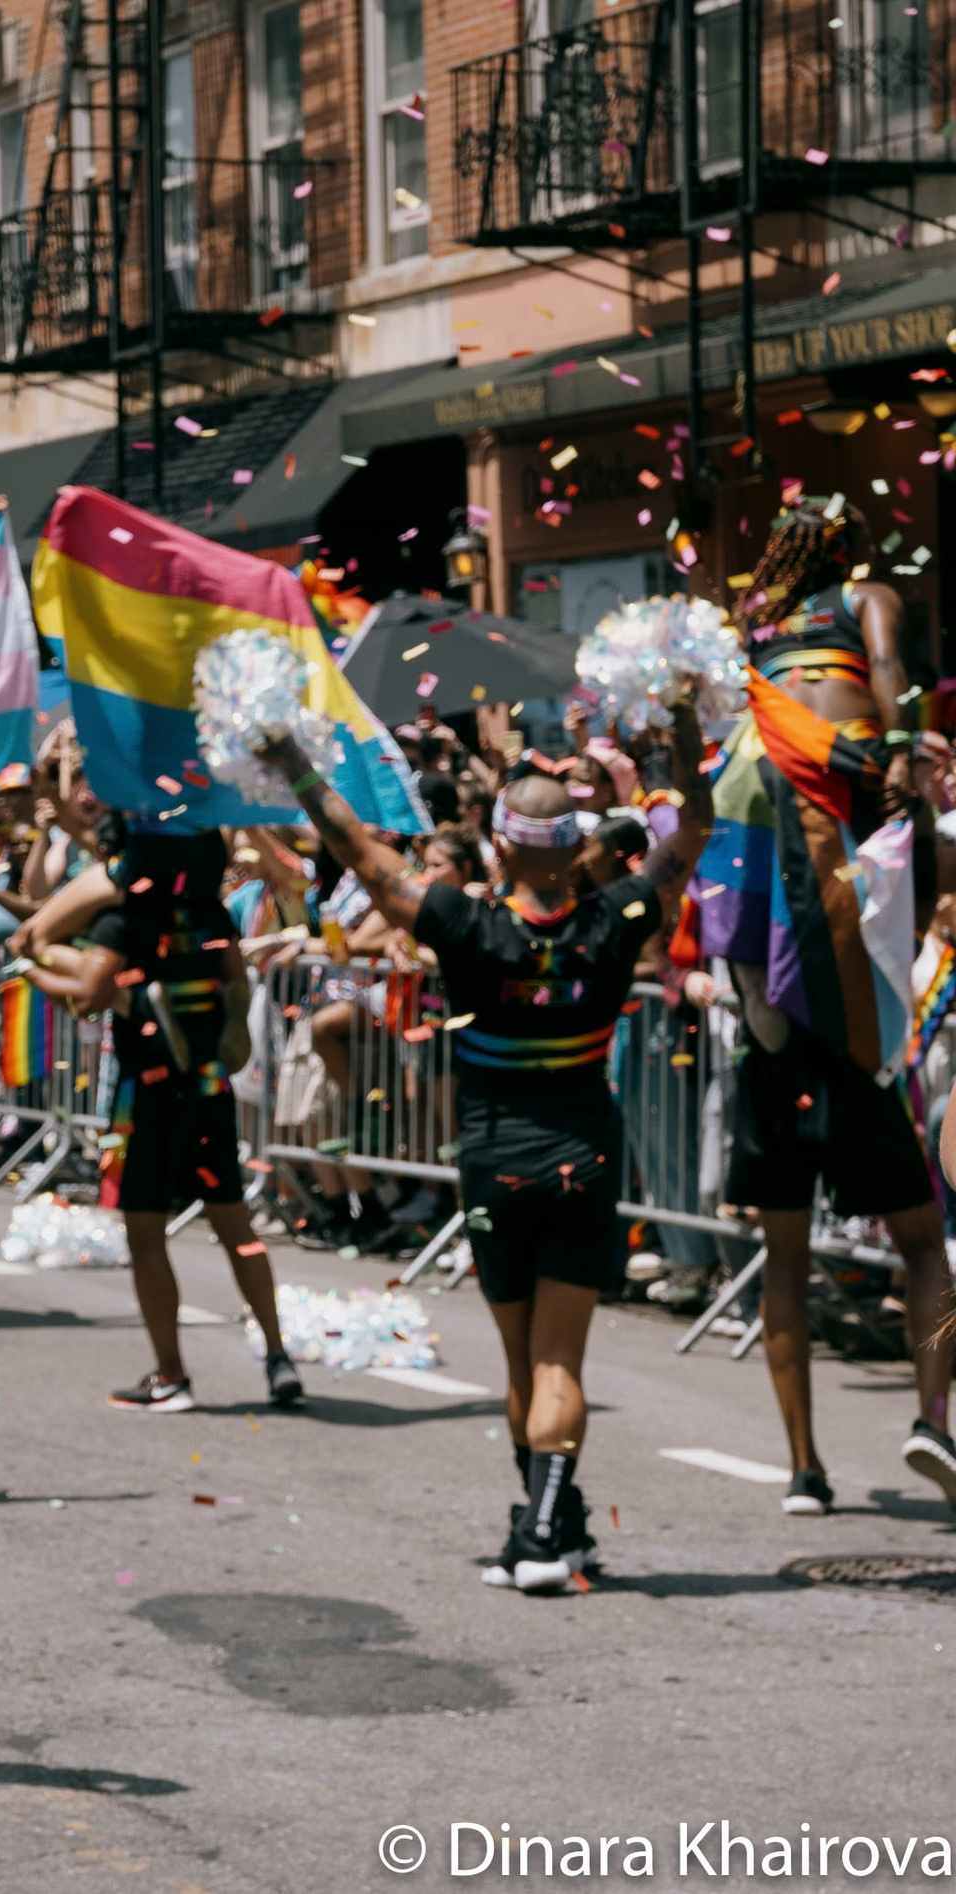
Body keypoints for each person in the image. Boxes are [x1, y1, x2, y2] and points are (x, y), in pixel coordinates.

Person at [263, 700, 712, 1592]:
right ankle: (553, 1524)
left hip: (492, 1163)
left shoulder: (464, 926)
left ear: (501, 847)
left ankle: (543, 1527)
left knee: (521, 1360)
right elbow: (692, 825)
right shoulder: (618, 916)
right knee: (559, 1360)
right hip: (583, 1156)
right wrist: (687, 720)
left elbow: (356, 850)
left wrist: (293, 760)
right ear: (575, 847)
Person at [713, 500, 952, 1516]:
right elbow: (891, 675)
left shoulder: (754, 640)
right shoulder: (868, 598)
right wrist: (902, 749)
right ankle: (932, 1421)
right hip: (845, 966)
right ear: (847, 552)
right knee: (922, 1246)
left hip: (767, 972)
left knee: (783, 1254)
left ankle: (804, 1468)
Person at [15, 832, 300, 1412]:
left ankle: (171, 1374)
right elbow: (234, 979)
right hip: (209, 1088)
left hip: (145, 1095)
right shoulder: (212, 912)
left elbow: (89, 994)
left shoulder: (123, 923)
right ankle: (277, 1356)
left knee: (146, 1236)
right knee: (236, 1230)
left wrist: (38, 972)